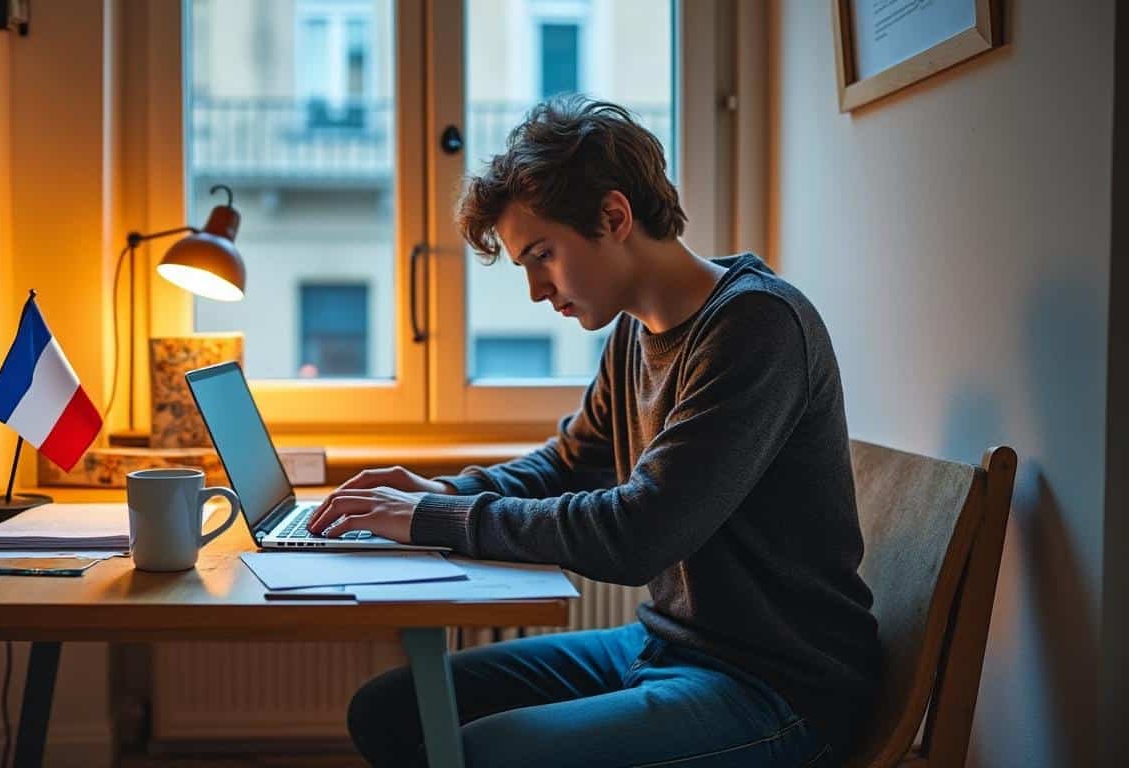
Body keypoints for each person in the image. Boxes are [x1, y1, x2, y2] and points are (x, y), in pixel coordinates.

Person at [305, 95, 880, 768]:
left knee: (483, 755)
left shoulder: (757, 327)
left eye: (541, 255)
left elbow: (639, 534)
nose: (535, 291)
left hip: (778, 688)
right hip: (666, 646)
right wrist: (436, 494)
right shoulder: (636, 332)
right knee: (391, 712)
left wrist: (436, 517)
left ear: (613, 216)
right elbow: (567, 465)